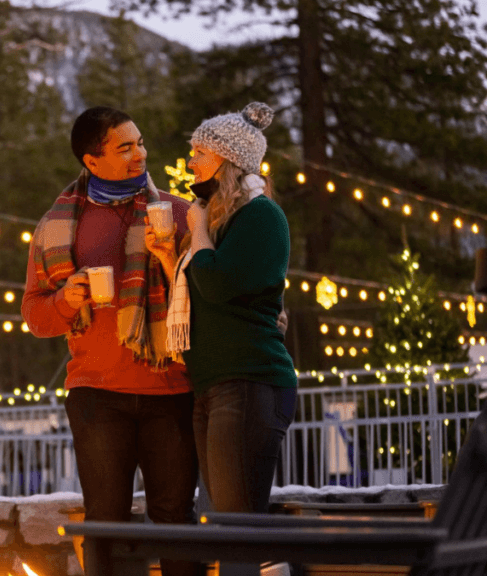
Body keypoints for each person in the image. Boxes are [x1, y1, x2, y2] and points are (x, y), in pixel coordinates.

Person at [21, 106, 203, 576]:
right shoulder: (57, 227)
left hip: (171, 390)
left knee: (176, 521)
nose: (140, 153)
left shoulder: (179, 215)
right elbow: (35, 317)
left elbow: (205, 299)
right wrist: (65, 299)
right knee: (106, 523)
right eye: (125, 147)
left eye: (140, 142)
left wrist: (168, 261)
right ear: (92, 160)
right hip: (97, 395)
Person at [166, 102, 298, 576]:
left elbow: (218, 284)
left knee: (238, 528)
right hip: (215, 386)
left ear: (226, 161)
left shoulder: (261, 217)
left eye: (199, 151)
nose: (190, 161)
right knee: (227, 526)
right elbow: (201, 293)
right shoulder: (218, 221)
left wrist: (197, 231)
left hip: (249, 382)